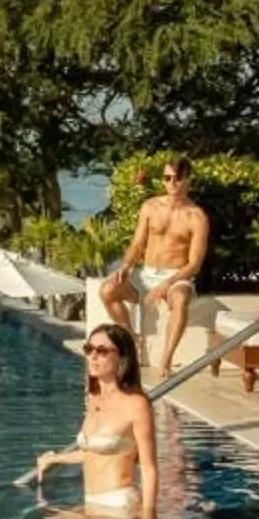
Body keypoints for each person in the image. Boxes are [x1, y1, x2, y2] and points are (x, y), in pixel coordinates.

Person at [28, 321, 160, 519]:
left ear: (122, 358)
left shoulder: (136, 404)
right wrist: (55, 459)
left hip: (119, 505)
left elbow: (149, 468)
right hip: (92, 505)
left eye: (102, 351)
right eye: (89, 349)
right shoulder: (94, 398)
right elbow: (92, 452)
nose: (93, 356)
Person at [98, 158, 210, 383]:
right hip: (145, 274)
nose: (172, 183)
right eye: (167, 178)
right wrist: (126, 267)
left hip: (176, 276)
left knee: (180, 299)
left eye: (177, 178)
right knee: (107, 290)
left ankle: (166, 359)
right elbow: (137, 244)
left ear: (188, 180)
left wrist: (166, 284)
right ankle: (131, 340)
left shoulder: (197, 217)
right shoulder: (150, 207)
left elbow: (194, 265)